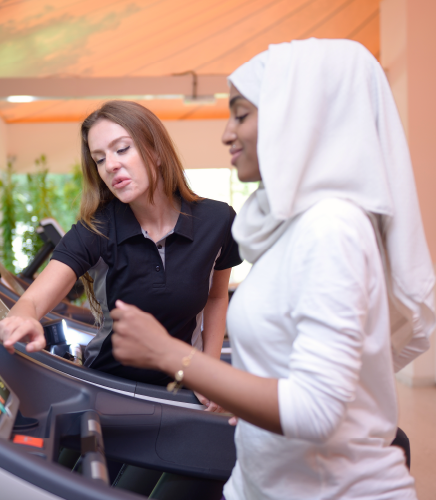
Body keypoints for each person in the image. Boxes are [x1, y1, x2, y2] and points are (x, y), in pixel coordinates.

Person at [108, 39, 435, 499]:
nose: (226, 133)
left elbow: (316, 411)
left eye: (241, 115)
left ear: (301, 116)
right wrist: (250, 394)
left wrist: (169, 354)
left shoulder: (332, 228)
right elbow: (291, 361)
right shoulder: (293, 228)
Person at [0, 101, 242, 406]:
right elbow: (30, 302)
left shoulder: (217, 221)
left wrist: (210, 369)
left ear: (156, 151)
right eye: (99, 159)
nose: (109, 165)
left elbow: (217, 297)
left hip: (182, 388)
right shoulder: (95, 230)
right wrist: (21, 319)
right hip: (109, 388)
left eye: (121, 149)